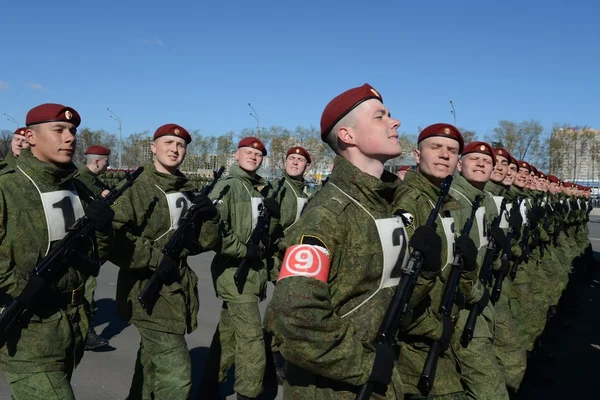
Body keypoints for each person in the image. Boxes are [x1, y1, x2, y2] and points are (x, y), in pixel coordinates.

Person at [264, 83, 407, 399]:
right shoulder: (329, 212)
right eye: (380, 116)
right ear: (348, 135)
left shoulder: (383, 205)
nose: (394, 122)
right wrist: (365, 365)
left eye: (390, 115)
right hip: (334, 388)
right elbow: (293, 314)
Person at [0, 103, 114, 399]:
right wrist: (22, 286)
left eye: (73, 131)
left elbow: (96, 257)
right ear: (30, 136)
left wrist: (102, 228)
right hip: (27, 330)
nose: (70, 137)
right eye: (59, 129)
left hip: (70, 324)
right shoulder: (7, 187)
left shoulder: (78, 187)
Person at [109, 123, 220, 400]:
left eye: (180, 145)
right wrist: (155, 258)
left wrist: (210, 219)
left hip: (178, 288)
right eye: (168, 143)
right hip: (146, 289)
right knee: (177, 375)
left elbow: (202, 244)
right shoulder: (136, 186)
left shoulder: (187, 188)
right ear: (153, 147)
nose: (175, 149)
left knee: (150, 365)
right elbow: (114, 242)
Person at [394, 123, 471, 400]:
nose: (444, 155)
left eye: (452, 150)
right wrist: (436, 328)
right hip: (410, 337)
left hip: (435, 328)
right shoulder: (409, 201)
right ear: (417, 155)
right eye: (435, 147)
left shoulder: (441, 204)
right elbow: (395, 289)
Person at [201, 136, 280, 400]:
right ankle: (248, 393)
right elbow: (213, 230)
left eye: (258, 155)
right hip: (233, 272)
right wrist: (241, 249)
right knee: (251, 340)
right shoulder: (227, 187)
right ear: (237, 154)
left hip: (252, 273)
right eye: (248, 152)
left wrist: (273, 218)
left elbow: (262, 236)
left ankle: (209, 385)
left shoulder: (260, 188)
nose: (254, 157)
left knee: (228, 334)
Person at [448, 141, 510, 400]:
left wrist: (499, 259)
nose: (481, 164)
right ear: (460, 164)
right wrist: (475, 292)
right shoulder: (455, 199)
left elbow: (486, 251)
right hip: (459, 306)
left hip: (478, 300)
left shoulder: (484, 201)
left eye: (487, 161)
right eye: (474, 159)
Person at [75, 145, 112, 350]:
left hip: (91, 242)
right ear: (97, 161)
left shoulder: (95, 182)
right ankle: (85, 333)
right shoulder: (79, 181)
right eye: (106, 161)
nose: (108, 165)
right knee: (85, 288)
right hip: (79, 242)